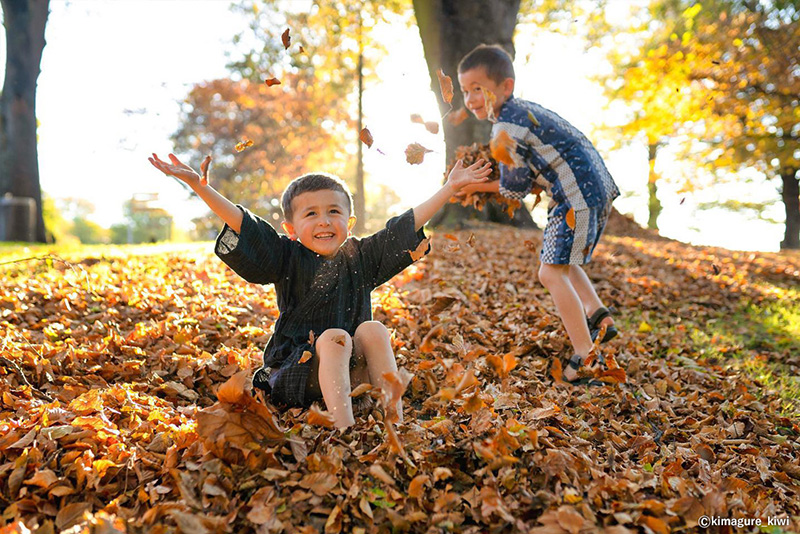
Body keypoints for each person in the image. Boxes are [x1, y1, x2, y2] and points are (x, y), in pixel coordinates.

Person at [148, 153, 491, 427]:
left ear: (349, 222)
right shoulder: (287, 256)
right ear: (292, 228)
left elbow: (403, 227)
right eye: (310, 214)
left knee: (373, 329)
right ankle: (345, 428)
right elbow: (248, 227)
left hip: (352, 372)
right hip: (299, 368)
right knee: (333, 338)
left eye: (333, 211)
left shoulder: (362, 256)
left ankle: (394, 419)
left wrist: (448, 188)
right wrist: (202, 189)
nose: (324, 220)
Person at [454, 44, 620, 385]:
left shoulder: (505, 128)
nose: (470, 99)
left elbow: (513, 189)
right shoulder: (521, 112)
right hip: (590, 187)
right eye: (465, 91)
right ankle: (598, 314)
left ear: (505, 87)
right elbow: (530, 180)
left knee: (550, 272)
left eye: (477, 89)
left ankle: (586, 357)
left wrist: (472, 186)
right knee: (560, 258)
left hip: (577, 194)